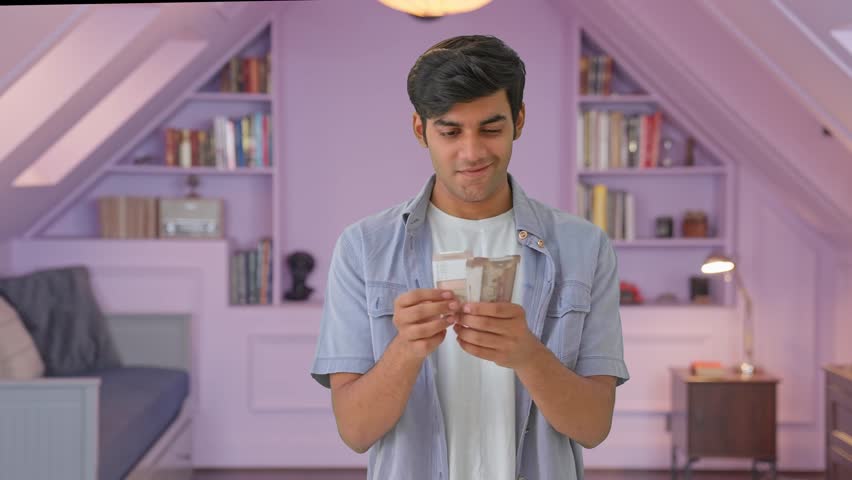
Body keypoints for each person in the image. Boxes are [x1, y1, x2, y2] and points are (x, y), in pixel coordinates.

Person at [311, 34, 629, 480]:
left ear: (518, 121)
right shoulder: (363, 247)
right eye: (450, 131)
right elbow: (356, 431)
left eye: (491, 128)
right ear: (421, 130)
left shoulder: (584, 247)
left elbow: (593, 427)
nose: (473, 152)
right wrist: (405, 350)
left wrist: (527, 356)